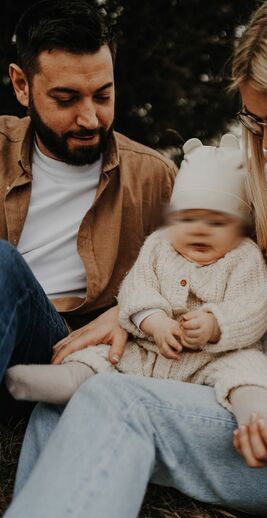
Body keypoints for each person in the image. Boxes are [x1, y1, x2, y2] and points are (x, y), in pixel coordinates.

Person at [0, 0, 267, 518]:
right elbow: (194, 253)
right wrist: (132, 311)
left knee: (114, 401)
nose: (266, 143)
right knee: (71, 397)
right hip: (219, 392)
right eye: (255, 122)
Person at [6, 134, 267, 446]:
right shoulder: (158, 246)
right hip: (148, 350)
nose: (199, 230)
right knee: (103, 355)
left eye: (217, 222)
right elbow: (137, 288)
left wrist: (214, 325)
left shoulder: (244, 257)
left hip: (214, 358)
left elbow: (253, 307)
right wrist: (155, 322)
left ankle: (259, 416)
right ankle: (64, 380)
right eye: (188, 217)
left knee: (250, 371)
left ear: (241, 227)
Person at [0, 0, 176, 416]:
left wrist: (127, 312)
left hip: (74, 358)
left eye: (103, 96)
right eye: (65, 99)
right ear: (22, 85)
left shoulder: (155, 177)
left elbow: (197, 276)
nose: (90, 119)